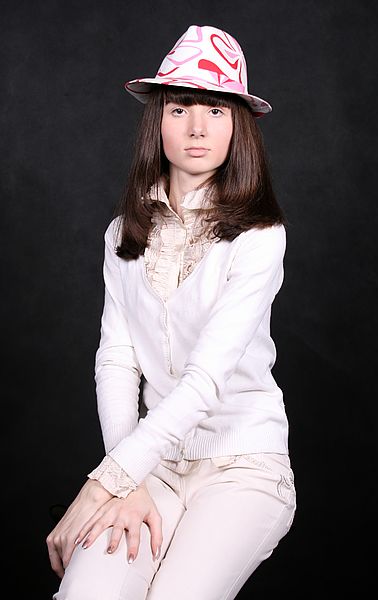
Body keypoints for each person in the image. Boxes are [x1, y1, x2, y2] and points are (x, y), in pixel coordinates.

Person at [46, 24, 297, 600]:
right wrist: (124, 477)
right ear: (157, 120)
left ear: (238, 126)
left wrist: (102, 484)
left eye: (215, 109)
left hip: (242, 466)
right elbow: (115, 359)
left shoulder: (260, 236)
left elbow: (205, 379)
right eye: (180, 107)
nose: (197, 127)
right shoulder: (121, 233)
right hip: (151, 464)